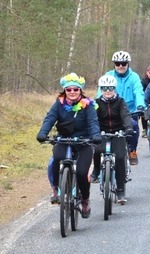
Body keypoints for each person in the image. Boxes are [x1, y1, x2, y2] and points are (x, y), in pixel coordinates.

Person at [36, 73, 101, 218]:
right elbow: (49, 119)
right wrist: (42, 133)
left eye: (75, 89)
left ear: (80, 90)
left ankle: (85, 199)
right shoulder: (58, 104)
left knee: (81, 172)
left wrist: (96, 135)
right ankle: (56, 189)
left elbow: (93, 122)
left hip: (84, 142)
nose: (72, 92)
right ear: (64, 91)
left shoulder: (88, 105)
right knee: (56, 158)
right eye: (69, 90)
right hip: (64, 139)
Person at [91, 75, 133, 204]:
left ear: (114, 89)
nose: (107, 91)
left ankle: (120, 190)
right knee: (97, 150)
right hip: (102, 133)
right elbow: (92, 119)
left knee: (120, 157)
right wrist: (93, 132)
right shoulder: (96, 103)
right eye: (104, 88)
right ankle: (97, 170)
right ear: (101, 89)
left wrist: (128, 128)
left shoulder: (120, 102)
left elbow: (125, 115)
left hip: (118, 133)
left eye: (110, 88)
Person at [102, 50, 146, 165]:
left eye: (123, 63)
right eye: (117, 64)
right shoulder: (108, 76)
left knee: (134, 126)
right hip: (110, 112)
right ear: (114, 64)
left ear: (128, 64)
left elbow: (138, 92)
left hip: (130, 112)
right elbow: (100, 92)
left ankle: (132, 151)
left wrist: (140, 105)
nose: (120, 66)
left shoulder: (134, 77)